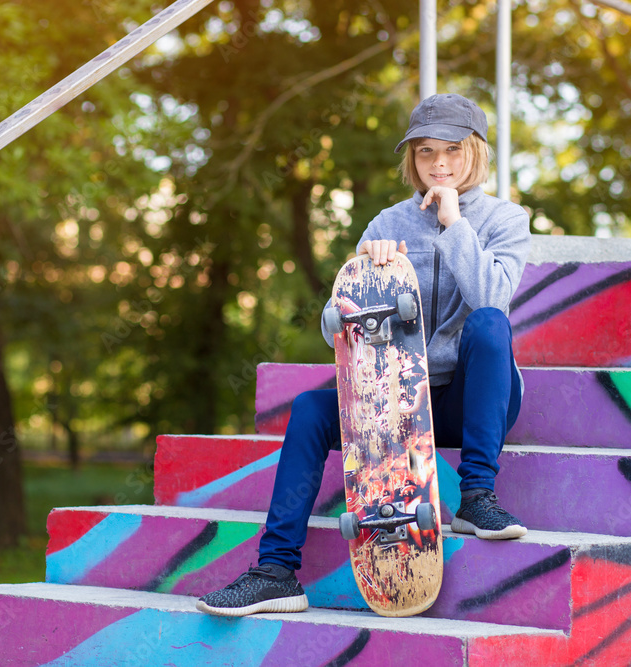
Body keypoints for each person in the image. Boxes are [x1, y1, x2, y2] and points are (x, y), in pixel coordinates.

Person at [196, 93, 532, 617]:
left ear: (475, 152)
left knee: (489, 324)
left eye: (451, 150)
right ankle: (276, 572)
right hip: (398, 404)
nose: (438, 164)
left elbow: (493, 298)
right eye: (425, 153)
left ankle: (477, 497)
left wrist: (453, 226)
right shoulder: (387, 224)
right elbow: (338, 330)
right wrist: (368, 278)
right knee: (309, 409)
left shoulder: (505, 220)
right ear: (412, 160)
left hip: (472, 402)